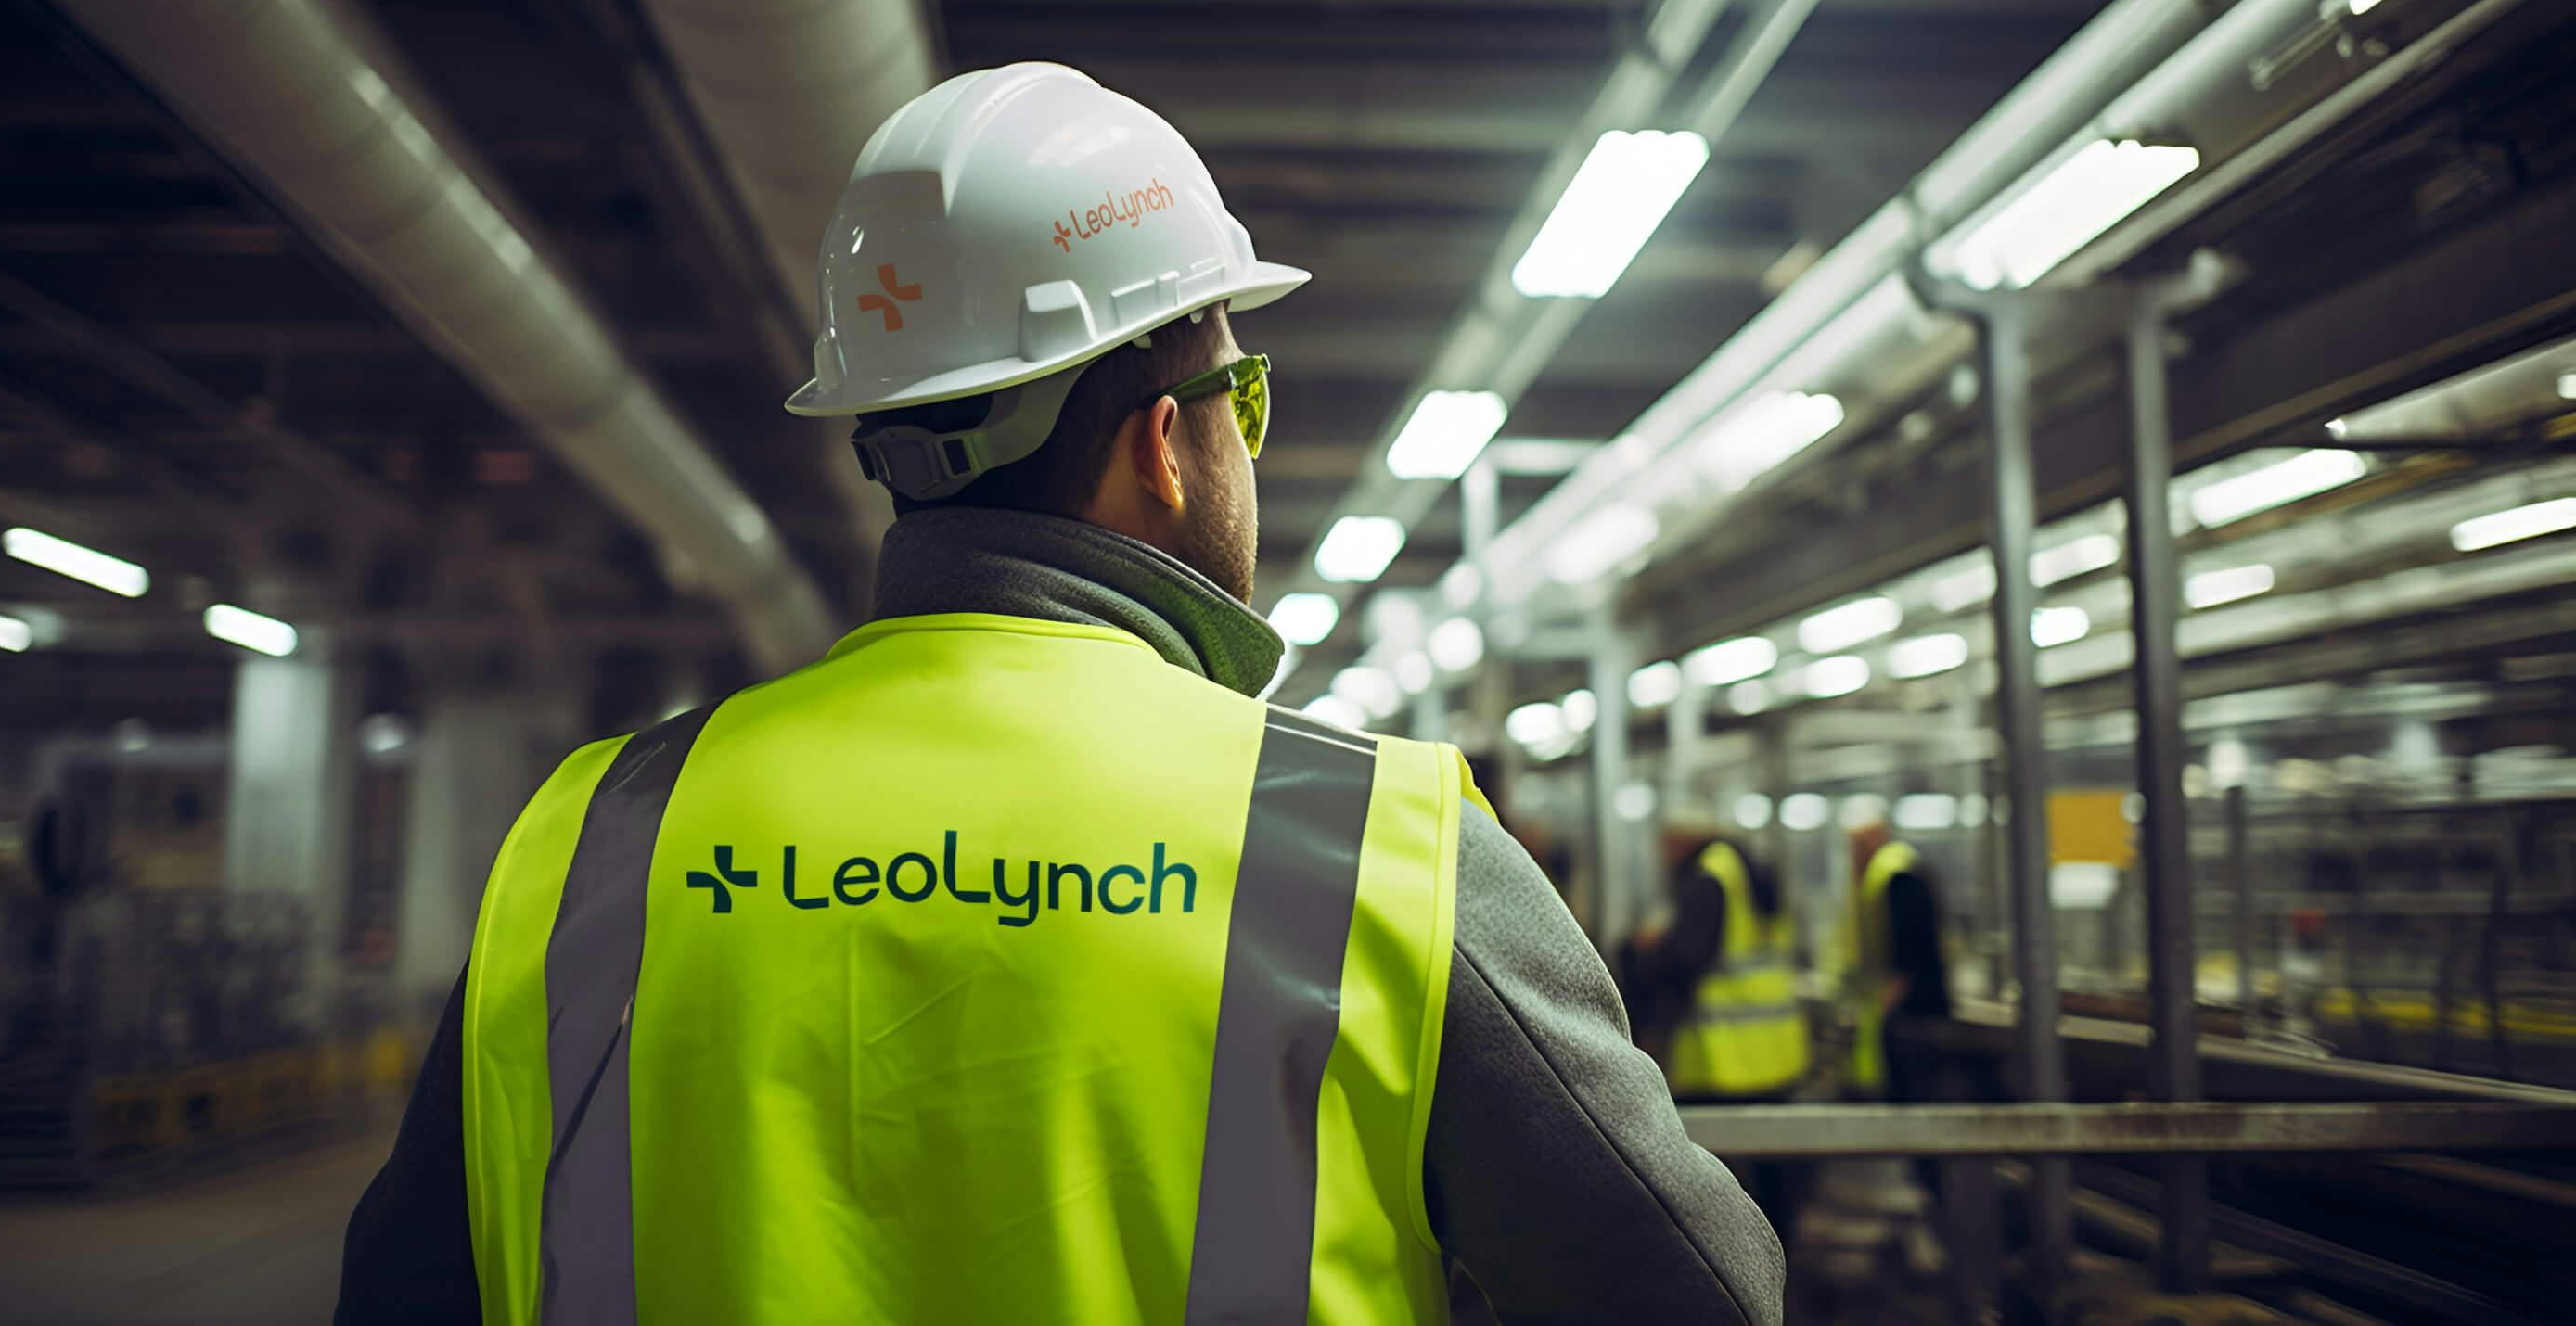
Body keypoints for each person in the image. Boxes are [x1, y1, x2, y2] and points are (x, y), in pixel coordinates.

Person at [336, 64, 1782, 1323]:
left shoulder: (593, 842)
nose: (1248, 450)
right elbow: (1696, 1296)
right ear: (1164, 445)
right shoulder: (1372, 850)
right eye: (1246, 400)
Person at [1623, 831, 1809, 1232]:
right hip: (1774, 1056)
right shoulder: (1756, 876)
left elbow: (1686, 959)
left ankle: (1735, 1280)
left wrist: (1643, 953)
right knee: (1772, 1180)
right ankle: (1778, 1269)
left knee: (1719, 1188)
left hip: (1722, 1060)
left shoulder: (1711, 880)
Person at [1847, 821, 1952, 1103]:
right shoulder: (1900, 870)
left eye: (1856, 846)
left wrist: (1894, 992)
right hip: (1915, 1005)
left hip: (1911, 1009)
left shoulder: (1895, 877)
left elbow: (1913, 940)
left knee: (1911, 1093)